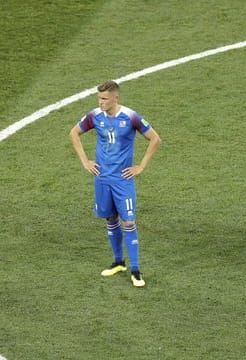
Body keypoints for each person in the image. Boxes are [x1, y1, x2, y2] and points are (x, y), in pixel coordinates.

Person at [69, 80, 161, 287]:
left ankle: (136, 270)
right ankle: (119, 262)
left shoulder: (130, 117)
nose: (100, 102)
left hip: (122, 179)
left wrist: (141, 167)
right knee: (110, 219)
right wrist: (85, 161)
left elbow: (155, 139)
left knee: (128, 222)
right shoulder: (95, 116)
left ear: (115, 98)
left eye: (104, 99)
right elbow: (73, 133)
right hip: (101, 178)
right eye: (99, 98)